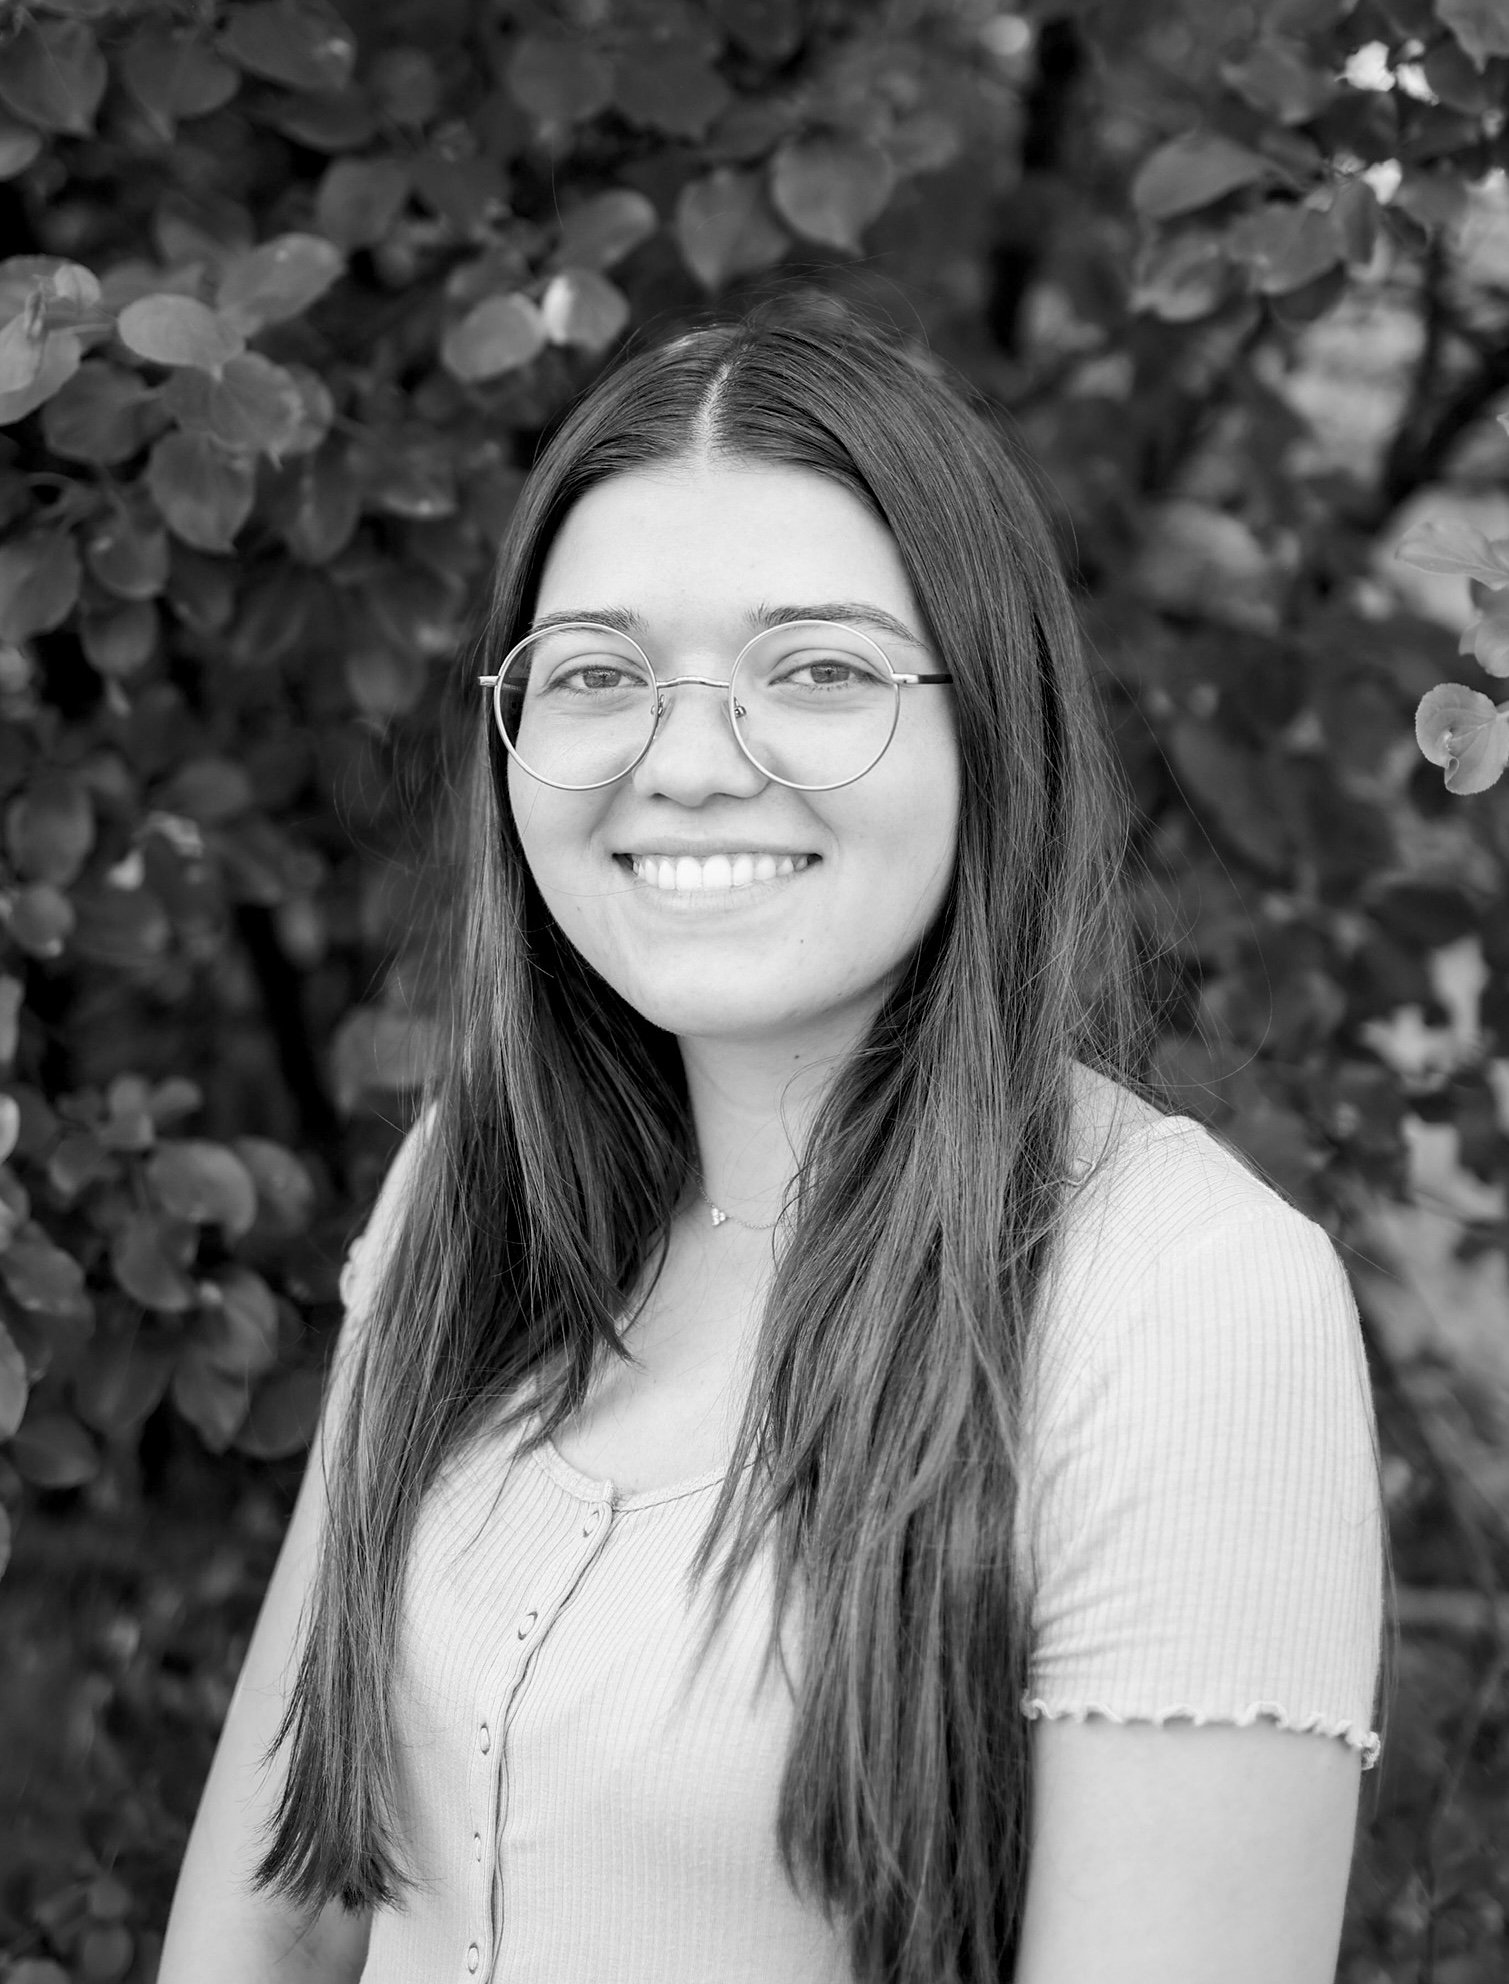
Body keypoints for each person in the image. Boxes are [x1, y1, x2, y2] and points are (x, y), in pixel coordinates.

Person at [159, 305, 1386, 1984]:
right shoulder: (472, 1181)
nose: (683, 763)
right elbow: (272, 1913)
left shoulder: (1187, 1305)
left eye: (814, 670)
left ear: (990, 722)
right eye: (597, 674)